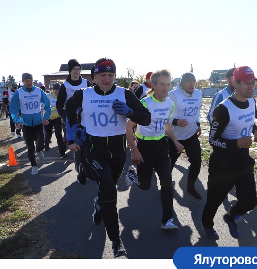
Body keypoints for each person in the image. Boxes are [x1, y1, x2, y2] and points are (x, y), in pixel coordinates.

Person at [66, 58, 151, 258]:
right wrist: (74, 129)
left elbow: (146, 117)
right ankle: (115, 241)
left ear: (115, 76)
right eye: (102, 75)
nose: (107, 79)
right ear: (94, 77)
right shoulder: (83, 94)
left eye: (110, 75)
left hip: (118, 153)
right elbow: (68, 108)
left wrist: (130, 112)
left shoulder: (124, 93)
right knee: (110, 191)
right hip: (94, 151)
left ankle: (98, 202)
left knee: (106, 191)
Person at [201, 66, 257, 239]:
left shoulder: (252, 101)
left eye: (253, 83)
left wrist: (256, 130)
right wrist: (236, 143)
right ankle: (207, 225)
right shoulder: (223, 109)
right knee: (214, 201)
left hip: (243, 162)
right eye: (247, 83)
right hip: (222, 165)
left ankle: (230, 217)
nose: (251, 87)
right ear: (236, 83)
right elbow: (213, 139)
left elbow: (249, 121)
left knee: (250, 200)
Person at [125, 69, 184, 230]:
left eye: (168, 84)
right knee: (145, 186)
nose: (166, 88)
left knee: (166, 182)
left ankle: (167, 220)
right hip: (144, 146)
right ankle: (132, 173)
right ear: (154, 85)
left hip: (161, 145)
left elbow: (165, 125)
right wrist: (134, 150)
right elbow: (128, 127)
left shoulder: (169, 103)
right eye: (162, 85)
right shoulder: (144, 104)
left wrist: (175, 141)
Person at [167, 72, 203, 200]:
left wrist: (197, 124)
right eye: (188, 81)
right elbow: (164, 115)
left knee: (197, 161)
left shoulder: (198, 93)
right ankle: (166, 187)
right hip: (175, 137)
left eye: (193, 81)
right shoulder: (173, 95)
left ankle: (190, 187)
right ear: (182, 83)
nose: (191, 84)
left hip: (191, 134)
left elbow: (197, 111)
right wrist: (176, 121)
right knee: (169, 165)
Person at [56, 59, 91, 181]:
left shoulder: (87, 83)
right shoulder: (65, 86)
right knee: (77, 144)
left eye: (78, 69)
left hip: (86, 117)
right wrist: (66, 116)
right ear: (70, 71)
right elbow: (59, 105)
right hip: (72, 118)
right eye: (74, 69)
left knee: (89, 143)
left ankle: (89, 167)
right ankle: (79, 168)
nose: (76, 71)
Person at [9, 73, 51, 175]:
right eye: (26, 81)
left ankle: (40, 150)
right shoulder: (18, 93)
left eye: (30, 80)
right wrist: (17, 121)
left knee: (40, 144)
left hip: (38, 123)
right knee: (30, 147)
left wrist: (46, 117)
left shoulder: (38, 91)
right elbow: (13, 108)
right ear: (23, 81)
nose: (29, 83)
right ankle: (34, 166)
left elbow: (47, 105)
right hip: (26, 124)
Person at [44, 83, 67, 158]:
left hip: (57, 118)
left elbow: (64, 107)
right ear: (52, 90)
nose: (57, 92)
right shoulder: (48, 96)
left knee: (59, 135)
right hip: (49, 118)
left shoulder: (62, 97)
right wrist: (57, 108)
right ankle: (46, 145)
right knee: (48, 134)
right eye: (55, 90)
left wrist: (63, 116)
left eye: (58, 90)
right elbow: (45, 107)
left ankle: (62, 153)